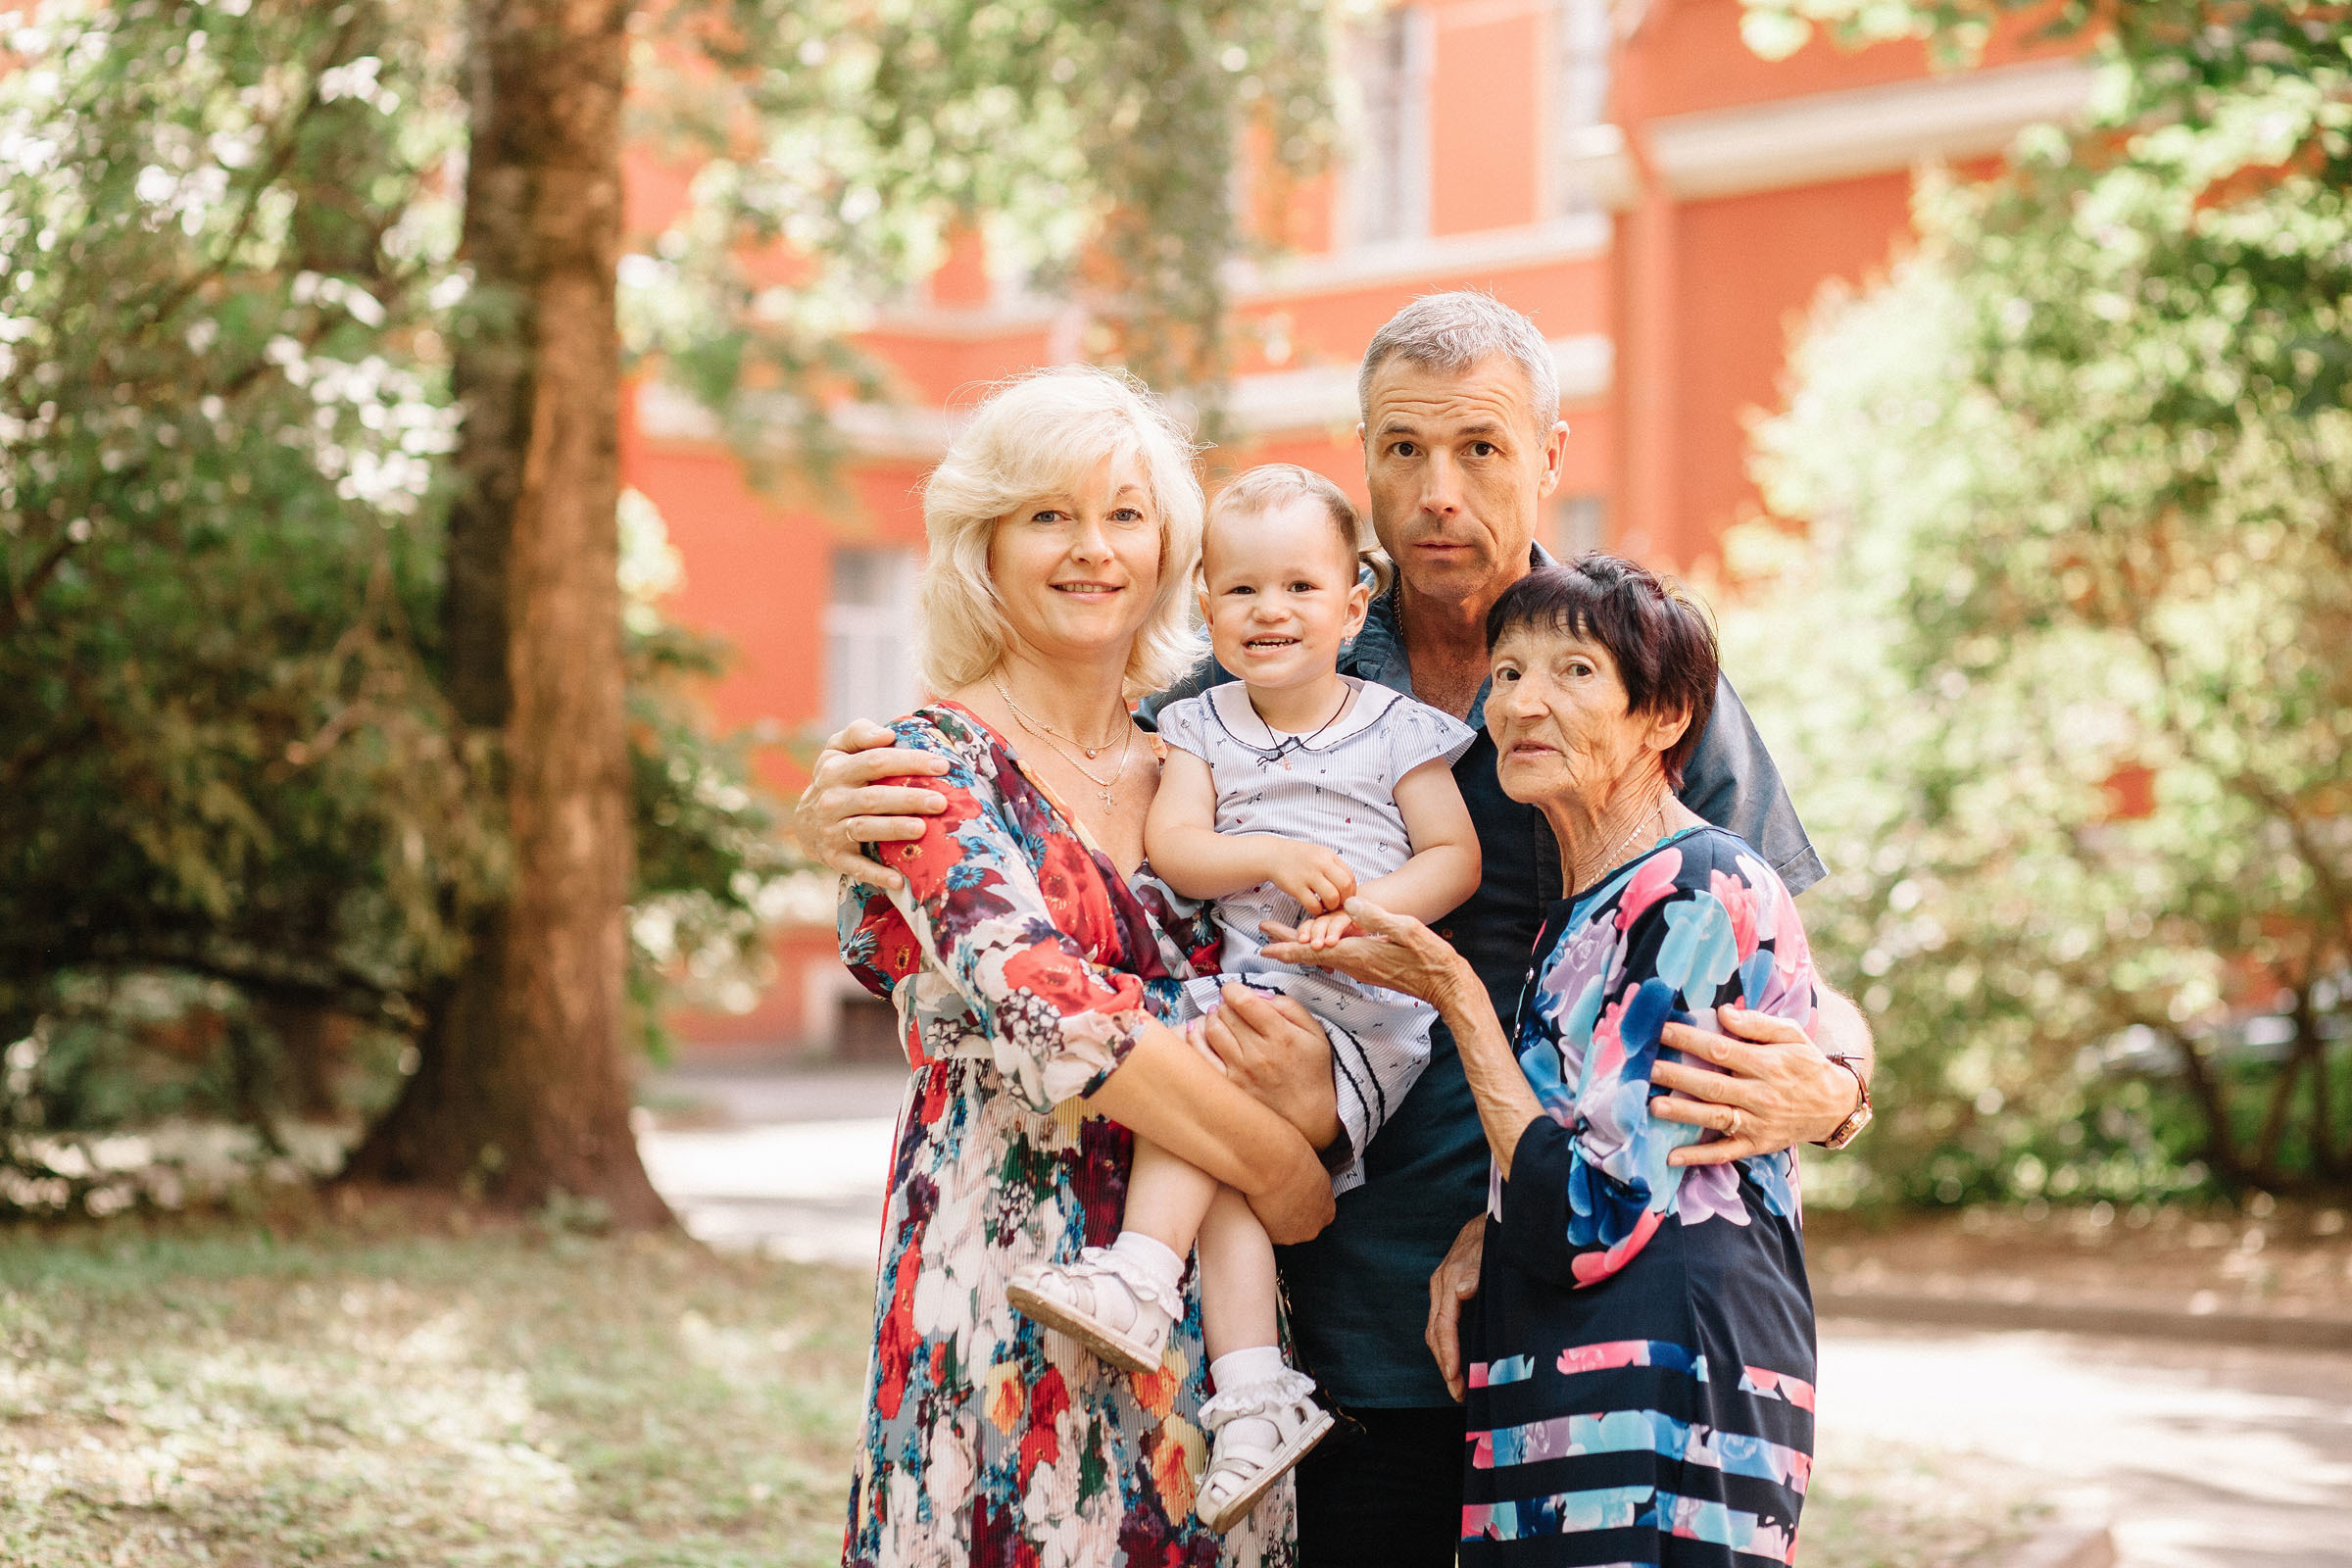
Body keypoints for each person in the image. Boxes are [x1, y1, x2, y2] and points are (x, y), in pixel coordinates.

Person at [799, 292, 1875, 1566]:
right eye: (1402, 450)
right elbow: (1044, 875)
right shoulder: (1265, 662)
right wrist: (853, 841)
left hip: (1604, 1315)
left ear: (1549, 455)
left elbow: (1779, 954)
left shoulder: (1624, 671)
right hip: (1339, 1336)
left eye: (1479, 448)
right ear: (1359, 455)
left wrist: (1838, 1081)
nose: (1437, 493)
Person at [833, 367, 1341, 1568]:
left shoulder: (1206, 768)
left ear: (1170, 548)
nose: (1091, 549)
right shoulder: (924, 767)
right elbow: (1055, 1020)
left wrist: (1310, 1094)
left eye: (1124, 514)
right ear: (985, 545)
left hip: (1213, 1339)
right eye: (1048, 515)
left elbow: (1303, 1015)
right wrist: (1289, 1175)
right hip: (1002, 1288)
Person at [1261, 556, 1831, 1564]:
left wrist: (1452, 991)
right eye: (1510, 671)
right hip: (1568, 1404)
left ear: (1662, 720)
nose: (1522, 700)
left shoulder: (1699, 888)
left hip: (1664, 1409)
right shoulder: (1582, 919)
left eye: (1573, 672)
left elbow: (1586, 1216)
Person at [1007, 465, 1483, 1533]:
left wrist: (1367, 915)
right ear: (1207, 604)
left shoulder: (1396, 728)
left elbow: (1455, 855)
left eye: (1301, 588)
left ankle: (1140, 1271)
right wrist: (1269, 849)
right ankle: (1258, 1396)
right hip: (1248, 988)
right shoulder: (1203, 726)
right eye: (1242, 591)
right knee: (1219, 1139)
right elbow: (1178, 849)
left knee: (1209, 1087)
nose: (1272, 612)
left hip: (1363, 1011)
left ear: (1355, 606)